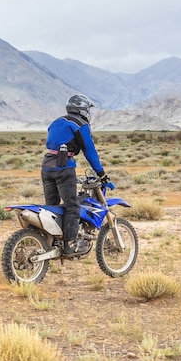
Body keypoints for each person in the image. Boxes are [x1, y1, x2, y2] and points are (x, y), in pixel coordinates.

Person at [41, 94, 111, 257]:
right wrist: (101, 174)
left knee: (52, 205)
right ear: (83, 109)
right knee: (72, 206)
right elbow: (90, 151)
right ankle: (69, 245)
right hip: (63, 167)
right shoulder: (80, 124)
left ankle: (52, 242)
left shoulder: (56, 122)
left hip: (46, 166)